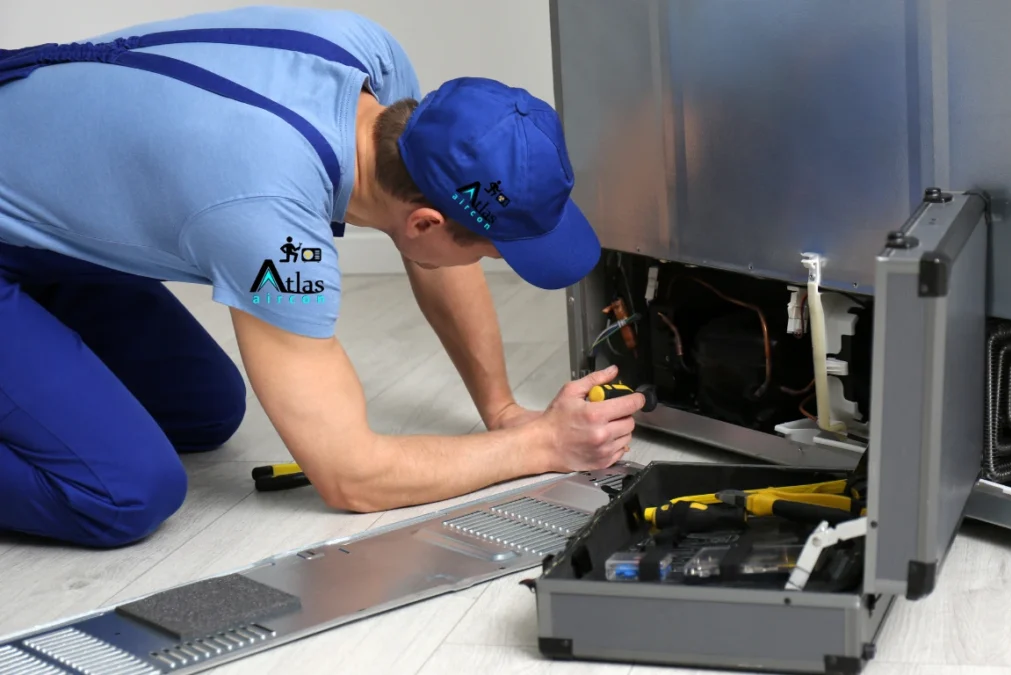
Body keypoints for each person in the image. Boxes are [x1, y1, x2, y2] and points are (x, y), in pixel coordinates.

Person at [0, 6, 645, 549]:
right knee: (126, 491)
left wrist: (503, 413)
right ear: (424, 223)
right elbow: (351, 476)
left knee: (203, 411)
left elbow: (435, 255)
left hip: (42, 221)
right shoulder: (270, 219)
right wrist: (541, 449)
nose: (484, 263)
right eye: (489, 252)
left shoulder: (374, 68)